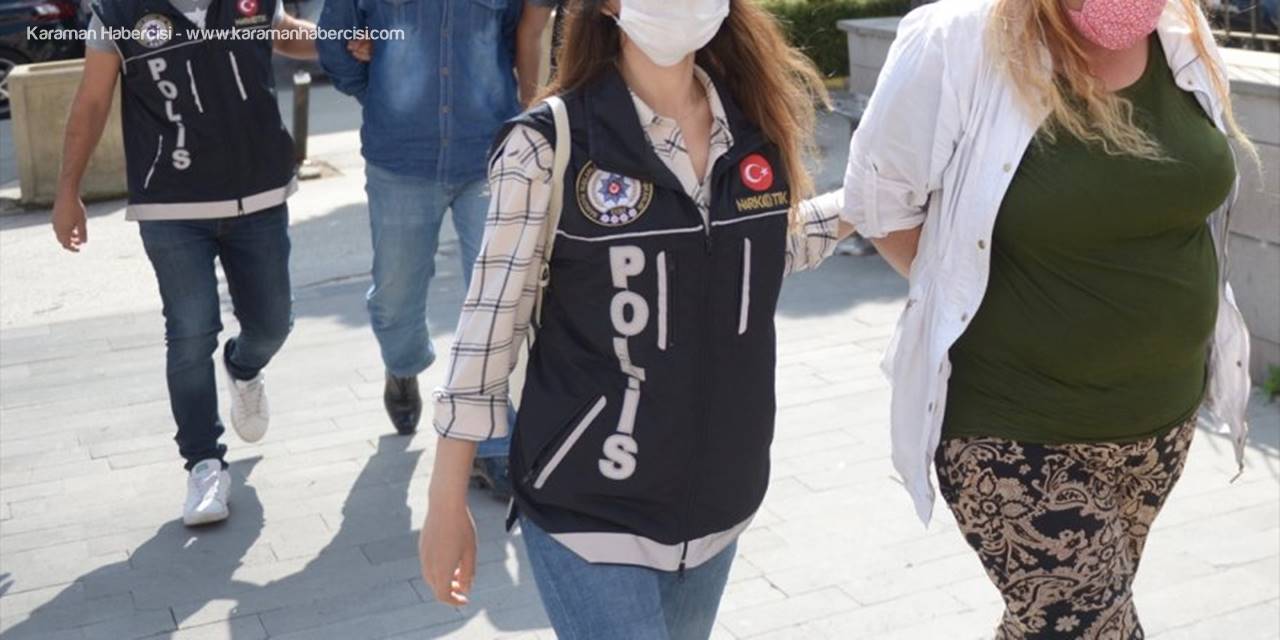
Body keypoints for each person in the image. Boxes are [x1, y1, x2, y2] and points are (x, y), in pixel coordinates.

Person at [419, 1, 853, 637]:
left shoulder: (752, 122)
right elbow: (489, 328)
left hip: (719, 508)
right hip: (588, 509)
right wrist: (445, 499)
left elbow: (757, 253)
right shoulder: (548, 144)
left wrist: (868, 200)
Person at [841, 0, 1254, 636]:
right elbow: (880, 203)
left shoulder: (1179, 31)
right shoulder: (956, 40)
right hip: (1014, 427)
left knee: (1048, 625)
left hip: (1159, 423)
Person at [51, 0, 316, 526]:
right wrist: (67, 191)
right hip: (170, 203)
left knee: (272, 324)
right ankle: (204, 463)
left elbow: (285, 33)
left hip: (259, 192)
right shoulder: (116, 13)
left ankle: (243, 367)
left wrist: (352, 37)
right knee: (190, 332)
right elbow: (92, 101)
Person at [317, 0, 542, 499]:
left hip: (487, 156)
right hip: (400, 160)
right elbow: (333, 45)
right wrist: (382, 94)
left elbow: (514, 36)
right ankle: (403, 365)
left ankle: (490, 441)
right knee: (394, 301)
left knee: (496, 304)